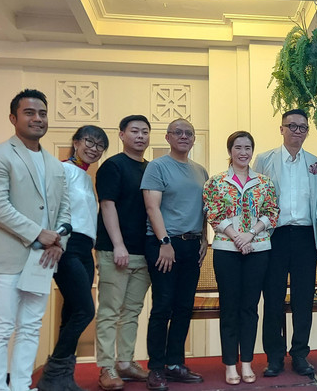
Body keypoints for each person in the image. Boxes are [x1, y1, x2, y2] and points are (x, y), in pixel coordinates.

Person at [0, 89, 71, 391]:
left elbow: (65, 209)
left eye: (42, 113)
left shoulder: (55, 164)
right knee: (0, 328)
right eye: (29, 113)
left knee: (30, 328)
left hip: (42, 258)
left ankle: (20, 386)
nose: (37, 118)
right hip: (7, 256)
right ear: (13, 118)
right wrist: (38, 233)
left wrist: (59, 241)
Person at [35, 125, 109, 391]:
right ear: (76, 142)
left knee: (70, 313)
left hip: (86, 247)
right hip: (67, 245)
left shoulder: (87, 177)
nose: (94, 149)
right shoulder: (61, 169)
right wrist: (56, 240)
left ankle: (62, 379)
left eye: (100, 146)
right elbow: (50, 208)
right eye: (90, 141)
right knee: (85, 310)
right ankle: (52, 375)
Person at [203, 131, 279, 385]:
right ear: (230, 151)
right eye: (238, 147)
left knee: (250, 307)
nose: (243, 152)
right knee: (229, 307)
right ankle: (229, 364)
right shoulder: (216, 182)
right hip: (226, 250)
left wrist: (250, 234)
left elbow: (272, 212)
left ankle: (246, 361)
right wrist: (237, 237)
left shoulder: (264, 182)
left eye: (248, 147)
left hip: (258, 250)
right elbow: (213, 212)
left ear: (252, 151)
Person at [253, 109, 317, 378]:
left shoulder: (316, 163)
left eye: (302, 127)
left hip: (306, 236)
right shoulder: (264, 160)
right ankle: (274, 356)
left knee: (303, 299)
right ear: (281, 129)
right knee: (272, 298)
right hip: (274, 236)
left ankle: (300, 354)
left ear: (307, 132)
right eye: (292, 126)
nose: (297, 131)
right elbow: (255, 198)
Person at [141, 119, 209, 390]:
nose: (184, 136)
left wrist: (204, 238)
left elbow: (204, 209)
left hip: (192, 245)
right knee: (163, 306)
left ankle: (175, 364)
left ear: (194, 139)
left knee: (184, 307)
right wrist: (165, 241)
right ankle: (156, 368)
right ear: (168, 137)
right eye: (178, 132)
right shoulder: (157, 166)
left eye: (188, 133)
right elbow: (152, 207)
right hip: (164, 246)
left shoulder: (200, 171)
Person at [95, 115, 152, 390]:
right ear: (121, 135)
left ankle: (125, 362)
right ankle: (106, 367)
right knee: (109, 310)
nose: (140, 136)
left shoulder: (150, 169)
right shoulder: (113, 166)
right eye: (134, 131)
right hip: (114, 250)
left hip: (144, 252)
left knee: (132, 311)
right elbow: (107, 205)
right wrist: (119, 245)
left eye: (145, 132)